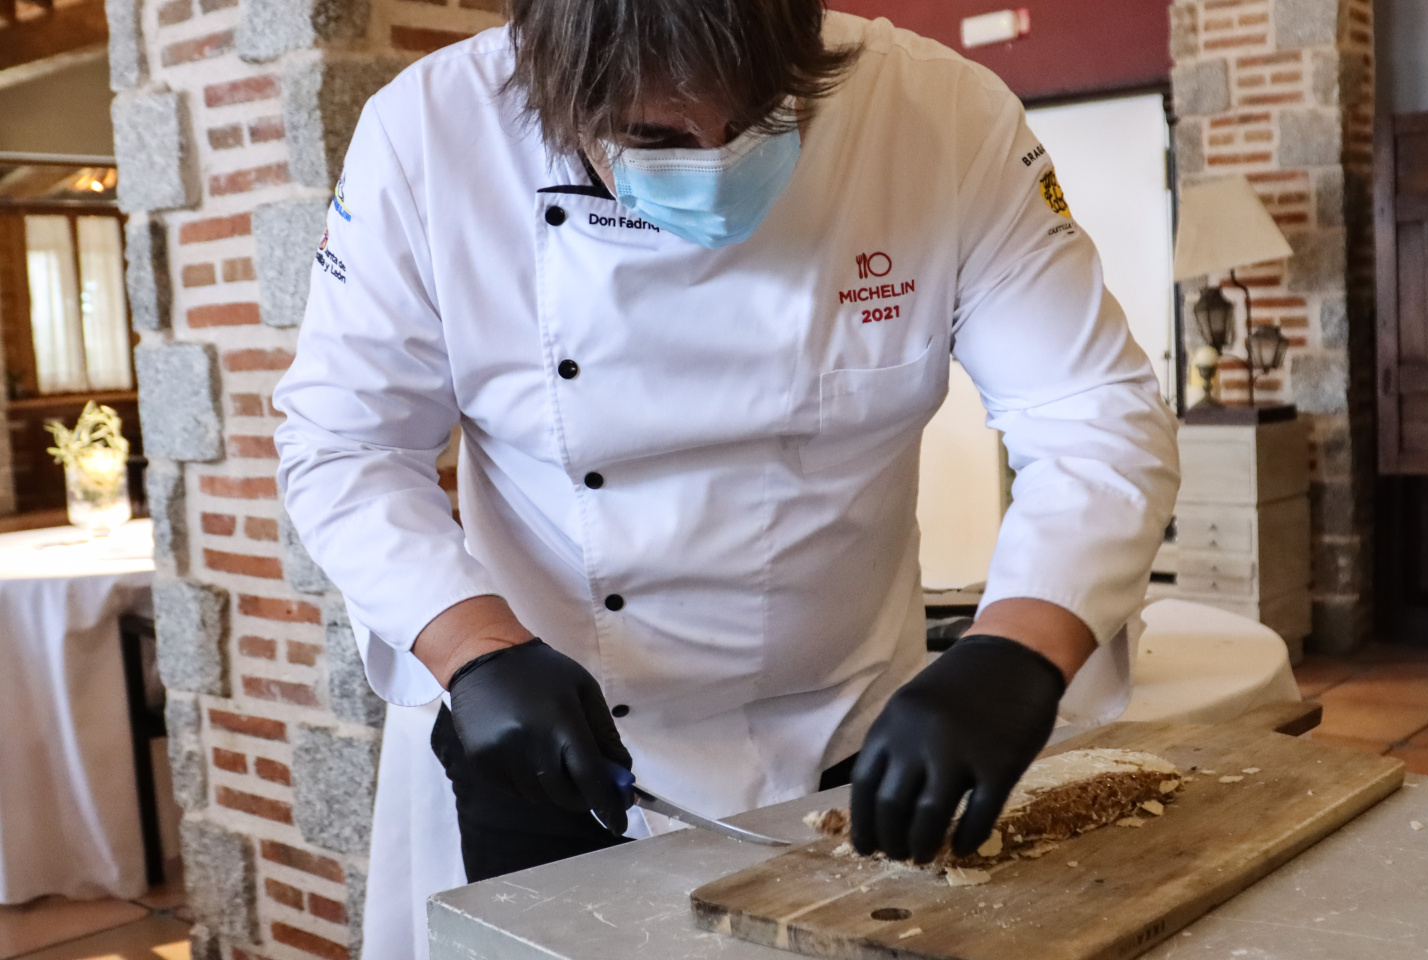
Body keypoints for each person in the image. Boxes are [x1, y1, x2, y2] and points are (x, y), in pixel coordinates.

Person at [273, 1, 1179, 957]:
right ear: (547, 83)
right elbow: (346, 443)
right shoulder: (427, 135)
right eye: (652, 134)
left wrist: (1020, 646)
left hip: (850, 724)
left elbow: (1093, 411)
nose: (712, 156)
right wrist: (474, 647)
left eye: (757, 116)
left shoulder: (939, 115)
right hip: (548, 739)